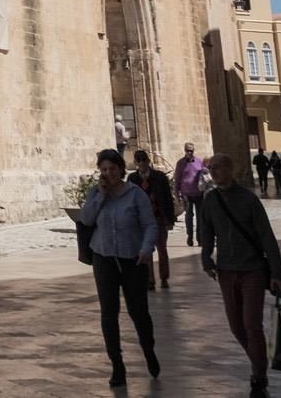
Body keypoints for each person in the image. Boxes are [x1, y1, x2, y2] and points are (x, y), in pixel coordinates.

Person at [199, 152, 281, 398]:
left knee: (252, 325)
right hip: (226, 271)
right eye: (211, 168)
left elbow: (267, 237)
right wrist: (206, 258)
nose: (213, 172)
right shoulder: (210, 200)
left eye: (218, 167)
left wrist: (277, 273)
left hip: (253, 271)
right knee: (236, 327)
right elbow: (205, 231)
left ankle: (258, 377)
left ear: (230, 169)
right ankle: (260, 364)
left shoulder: (248, 200)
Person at [78, 148, 160, 387]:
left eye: (112, 169)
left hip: (132, 260)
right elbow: (86, 219)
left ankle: (148, 350)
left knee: (138, 312)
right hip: (103, 259)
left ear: (121, 170)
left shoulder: (135, 195)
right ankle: (117, 364)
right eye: (103, 169)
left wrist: (146, 248)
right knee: (108, 313)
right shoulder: (96, 193)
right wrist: (100, 195)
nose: (108, 173)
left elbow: (150, 225)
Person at [130, 149, 177, 289]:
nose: (142, 163)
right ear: (135, 163)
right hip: (142, 221)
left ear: (148, 161)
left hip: (160, 218)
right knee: (146, 250)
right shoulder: (132, 179)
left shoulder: (159, 176)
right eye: (139, 160)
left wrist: (170, 219)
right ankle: (150, 280)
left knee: (162, 250)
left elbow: (168, 198)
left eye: (144, 160)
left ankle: (164, 278)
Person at [173, 142, 207, 245]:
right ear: (184, 150)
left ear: (194, 151)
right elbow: (177, 179)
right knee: (189, 216)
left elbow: (204, 174)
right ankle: (190, 236)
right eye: (187, 150)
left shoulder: (199, 162)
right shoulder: (180, 163)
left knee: (200, 217)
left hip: (198, 194)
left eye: (191, 151)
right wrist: (177, 195)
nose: (189, 153)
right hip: (186, 194)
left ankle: (200, 238)